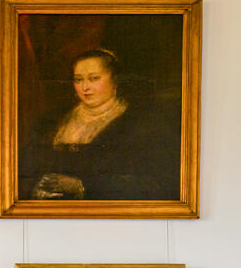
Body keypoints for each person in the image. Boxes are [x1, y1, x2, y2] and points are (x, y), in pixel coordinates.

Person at [20, 48, 178, 201]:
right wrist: (35, 189)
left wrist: (82, 186)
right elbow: (25, 170)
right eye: (78, 80)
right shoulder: (53, 121)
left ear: (115, 80)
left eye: (94, 78)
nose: (85, 87)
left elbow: (157, 184)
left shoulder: (141, 124)